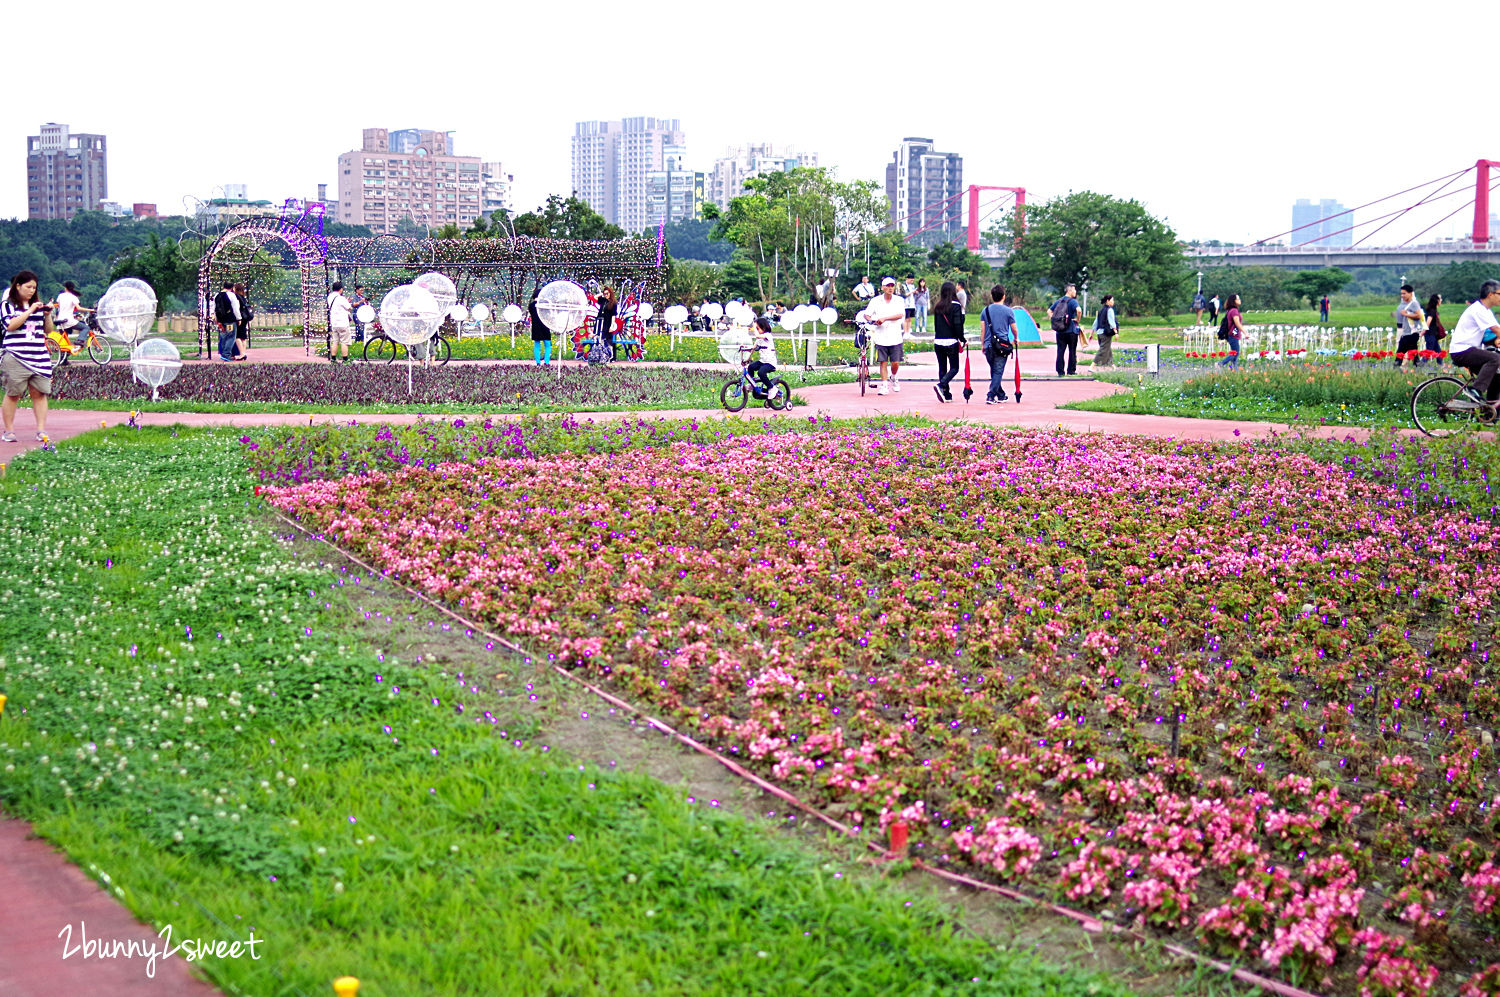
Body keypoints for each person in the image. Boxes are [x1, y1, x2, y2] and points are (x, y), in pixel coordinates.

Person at [1, 270, 54, 443]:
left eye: (34, 287)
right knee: (13, 393)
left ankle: (41, 430)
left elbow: (48, 330)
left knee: (39, 393)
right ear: (18, 286)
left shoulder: (38, 306)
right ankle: (9, 431)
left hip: (39, 356)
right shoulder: (8, 305)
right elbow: (10, 325)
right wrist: (30, 310)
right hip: (16, 356)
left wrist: (47, 315)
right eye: (28, 287)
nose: (31, 290)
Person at [1449, 280, 1500, 406]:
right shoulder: (1479, 309)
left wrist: (1495, 341)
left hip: (1468, 350)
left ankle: (1489, 415)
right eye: (1499, 294)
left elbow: (1492, 333)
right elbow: (1496, 329)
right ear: (1490, 294)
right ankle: (1475, 390)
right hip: (1462, 350)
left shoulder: (1486, 311)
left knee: (1496, 378)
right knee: (1495, 359)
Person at [867, 277, 906, 395]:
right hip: (880, 335)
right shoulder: (875, 301)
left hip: (895, 336)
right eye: (887, 286)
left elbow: (900, 314)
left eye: (892, 286)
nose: (890, 288)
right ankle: (884, 385)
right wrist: (873, 321)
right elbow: (867, 315)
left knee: (895, 363)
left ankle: (893, 377)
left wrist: (885, 318)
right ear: (883, 287)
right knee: (883, 362)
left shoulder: (899, 300)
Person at [980, 285, 1017, 404]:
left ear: (992, 296)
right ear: (1004, 296)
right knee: (998, 371)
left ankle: (1001, 395)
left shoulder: (985, 311)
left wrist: (982, 344)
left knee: (995, 370)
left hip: (988, 345)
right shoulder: (1008, 311)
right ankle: (990, 395)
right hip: (1002, 346)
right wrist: (1016, 338)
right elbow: (1014, 328)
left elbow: (982, 329)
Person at [929, 281, 965, 402]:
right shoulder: (956, 306)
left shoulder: (938, 305)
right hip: (951, 341)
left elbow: (936, 325)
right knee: (954, 368)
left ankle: (946, 394)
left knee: (942, 368)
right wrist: (962, 339)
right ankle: (941, 384)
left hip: (938, 341)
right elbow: (957, 324)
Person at [741, 315, 779, 402]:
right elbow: (753, 349)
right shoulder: (759, 340)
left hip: (770, 363)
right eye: (756, 328)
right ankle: (752, 384)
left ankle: (772, 388)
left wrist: (754, 325)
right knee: (751, 367)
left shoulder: (768, 335)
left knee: (761, 372)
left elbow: (757, 336)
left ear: (763, 327)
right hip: (763, 361)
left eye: (758, 328)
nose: (757, 330)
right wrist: (747, 359)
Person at [1048, 284, 1083, 377]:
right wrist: (1078, 320)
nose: (1075, 292)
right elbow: (1079, 310)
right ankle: (1071, 371)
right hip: (1071, 330)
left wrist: (1056, 319)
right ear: (1070, 291)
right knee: (1072, 351)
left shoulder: (1059, 301)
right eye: (1074, 290)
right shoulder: (1073, 302)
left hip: (1060, 331)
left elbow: (1049, 311)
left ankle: (1060, 371)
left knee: (1060, 351)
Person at [54, 281, 92, 365]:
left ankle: (63, 360)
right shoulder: (73, 297)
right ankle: (80, 341)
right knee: (86, 328)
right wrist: (91, 310)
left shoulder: (60, 296)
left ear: (65, 288)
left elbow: (59, 306)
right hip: (68, 320)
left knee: (65, 342)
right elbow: (79, 308)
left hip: (60, 320)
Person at [1393, 284, 1425, 368]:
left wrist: (1406, 314)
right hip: (1406, 332)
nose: (1402, 295)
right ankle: (1417, 366)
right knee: (1410, 352)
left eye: (1404, 293)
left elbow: (1419, 315)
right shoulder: (1404, 303)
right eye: (1401, 294)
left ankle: (1397, 368)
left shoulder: (1414, 303)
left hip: (1412, 332)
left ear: (1410, 293)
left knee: (1402, 352)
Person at [212, 280, 240, 362]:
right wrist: (238, 318)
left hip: (220, 320)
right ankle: (227, 354)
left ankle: (223, 353)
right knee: (231, 337)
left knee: (223, 336)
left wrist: (216, 319)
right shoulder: (231, 295)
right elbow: (235, 308)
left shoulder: (217, 295)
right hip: (230, 319)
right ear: (231, 287)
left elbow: (214, 308)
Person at [326, 281, 354, 364]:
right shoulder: (341, 298)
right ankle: (345, 360)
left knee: (335, 341)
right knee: (344, 342)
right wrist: (348, 302)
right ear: (341, 289)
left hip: (334, 323)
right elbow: (349, 308)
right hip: (342, 323)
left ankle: (333, 359)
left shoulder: (330, 297)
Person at [1218, 293, 1245, 368]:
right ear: (1234, 301)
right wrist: (1245, 332)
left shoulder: (1230, 310)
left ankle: (1234, 371)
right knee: (1235, 353)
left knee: (1235, 355)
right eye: (1238, 299)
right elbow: (1237, 323)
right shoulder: (1234, 311)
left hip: (1232, 334)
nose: (1240, 300)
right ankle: (1220, 363)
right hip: (1233, 335)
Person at [1093, 294, 1119, 367]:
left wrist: (1091, 334)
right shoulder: (1109, 310)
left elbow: (1095, 323)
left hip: (1099, 333)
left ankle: (1113, 366)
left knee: (1107, 350)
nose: (1113, 302)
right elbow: (1112, 322)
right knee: (1103, 350)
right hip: (1105, 333)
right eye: (1112, 300)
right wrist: (1116, 332)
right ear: (1108, 301)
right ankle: (1092, 366)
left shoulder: (1101, 311)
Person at [594, 286, 617, 362]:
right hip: (600, 320)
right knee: (599, 337)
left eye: (607, 293)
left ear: (610, 293)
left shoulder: (613, 303)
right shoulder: (603, 300)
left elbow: (613, 315)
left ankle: (612, 356)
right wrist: (602, 294)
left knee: (608, 339)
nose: (606, 295)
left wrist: (612, 325)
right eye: (605, 293)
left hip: (607, 321)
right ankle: (600, 354)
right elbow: (595, 297)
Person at [529, 287, 551, 366]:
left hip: (535, 327)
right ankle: (547, 362)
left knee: (537, 345)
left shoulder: (531, 306)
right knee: (547, 344)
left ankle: (538, 362)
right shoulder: (543, 305)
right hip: (545, 326)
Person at [1423, 293, 1446, 365]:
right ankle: (1420, 365)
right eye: (1440, 299)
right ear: (1437, 301)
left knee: (1438, 352)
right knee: (1429, 352)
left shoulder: (1433, 310)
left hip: (1433, 335)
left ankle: (1441, 366)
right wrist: (1423, 332)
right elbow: (1428, 323)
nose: (1441, 300)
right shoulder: (1432, 311)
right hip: (1430, 334)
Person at [233, 282, 252, 361]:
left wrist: (237, 318)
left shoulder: (236, 297)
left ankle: (242, 354)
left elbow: (237, 308)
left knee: (237, 336)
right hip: (245, 318)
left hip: (240, 318)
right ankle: (243, 352)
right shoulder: (243, 297)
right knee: (243, 337)